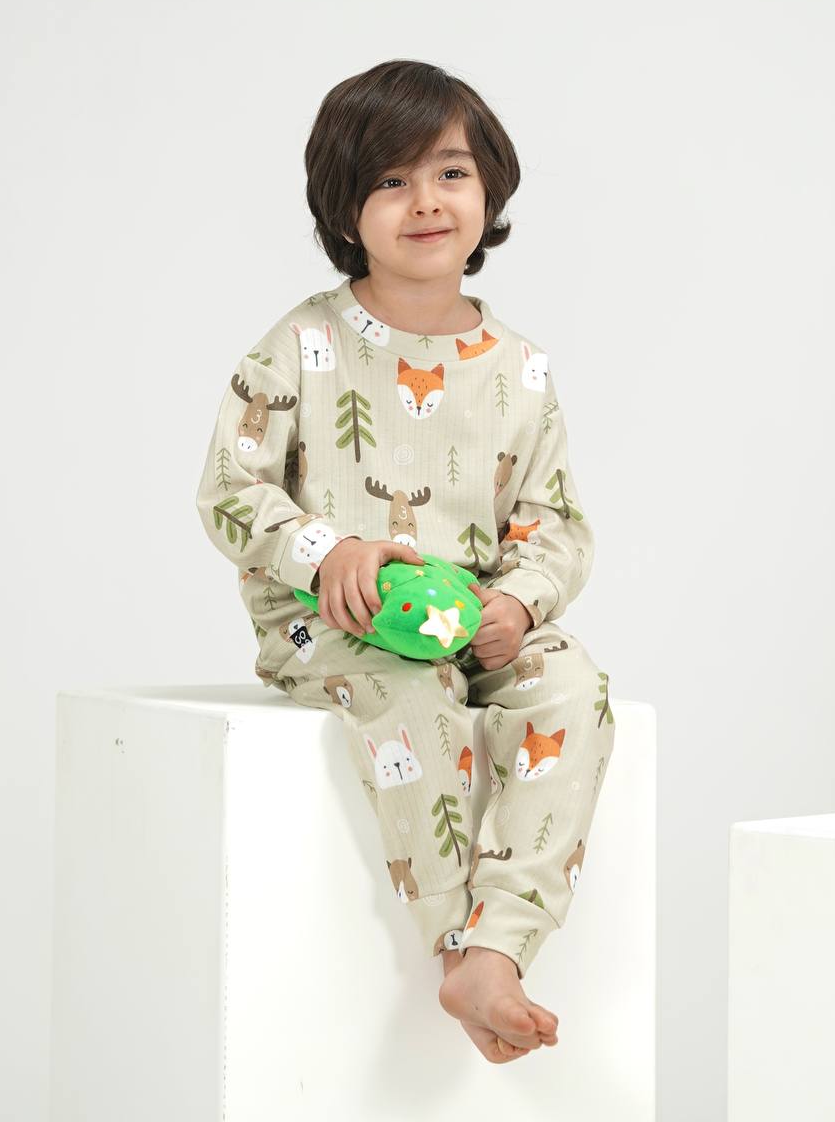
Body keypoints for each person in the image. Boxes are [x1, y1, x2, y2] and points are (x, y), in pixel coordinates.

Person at [194, 59, 616, 1065]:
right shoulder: (301, 344)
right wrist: (326, 551)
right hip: (334, 623)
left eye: (449, 172)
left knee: (575, 685)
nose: (425, 201)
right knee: (414, 693)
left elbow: (555, 520)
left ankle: (502, 938)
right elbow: (229, 488)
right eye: (390, 180)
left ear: (490, 188)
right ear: (343, 207)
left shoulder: (521, 370)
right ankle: (461, 948)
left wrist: (519, 602)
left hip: (473, 618)